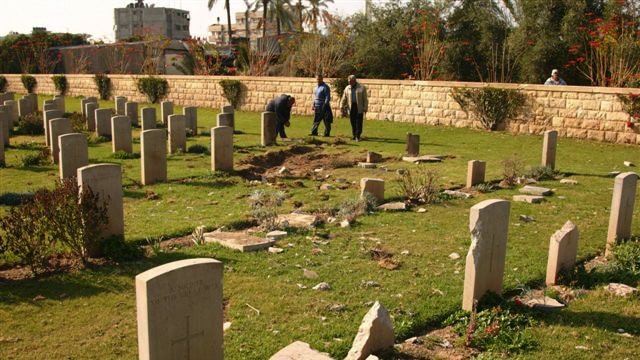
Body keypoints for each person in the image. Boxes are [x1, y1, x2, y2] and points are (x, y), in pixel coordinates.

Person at [340, 75, 368, 141]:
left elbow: (365, 99)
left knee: (358, 122)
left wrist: (365, 107)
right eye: (348, 81)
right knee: (352, 122)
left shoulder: (361, 87)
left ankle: (357, 136)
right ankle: (354, 135)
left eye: (351, 81)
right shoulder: (347, 88)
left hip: (359, 107)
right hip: (351, 107)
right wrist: (341, 106)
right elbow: (344, 98)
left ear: (354, 80)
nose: (349, 82)